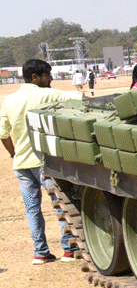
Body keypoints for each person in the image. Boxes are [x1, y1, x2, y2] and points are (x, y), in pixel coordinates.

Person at [0, 58, 83, 264]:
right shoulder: (47, 95)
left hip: (21, 164)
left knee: (32, 209)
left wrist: (14, 154)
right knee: (61, 204)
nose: (51, 79)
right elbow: (79, 98)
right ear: (35, 77)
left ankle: (40, 252)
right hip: (45, 163)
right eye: (47, 75)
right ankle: (68, 249)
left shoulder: (9, 100)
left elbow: (3, 134)